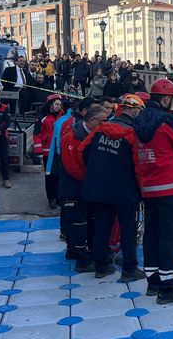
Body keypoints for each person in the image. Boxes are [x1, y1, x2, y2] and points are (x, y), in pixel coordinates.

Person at [133, 78, 173, 304]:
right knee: (169, 238)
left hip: (148, 187)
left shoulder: (140, 120)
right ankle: (168, 289)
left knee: (151, 235)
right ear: (167, 98)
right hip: (169, 187)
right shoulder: (166, 121)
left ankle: (153, 282)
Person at [80, 94, 146, 281]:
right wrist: (141, 191)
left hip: (99, 187)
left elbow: (83, 150)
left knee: (102, 226)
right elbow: (138, 166)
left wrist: (93, 173)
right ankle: (130, 269)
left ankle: (101, 266)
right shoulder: (133, 133)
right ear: (133, 110)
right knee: (128, 228)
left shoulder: (101, 128)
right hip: (125, 190)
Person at [59, 105, 108, 273]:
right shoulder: (71, 137)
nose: (106, 124)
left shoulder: (96, 135)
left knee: (88, 221)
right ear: (92, 120)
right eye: (103, 120)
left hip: (88, 187)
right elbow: (72, 166)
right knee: (78, 222)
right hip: (73, 187)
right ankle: (81, 259)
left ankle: (78, 251)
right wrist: (93, 179)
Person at [33, 94, 63, 208]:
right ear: (50, 104)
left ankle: (59, 197)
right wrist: (39, 152)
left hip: (59, 152)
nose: (58, 107)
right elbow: (36, 135)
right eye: (56, 104)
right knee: (50, 176)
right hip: (47, 152)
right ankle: (51, 199)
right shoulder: (42, 118)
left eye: (60, 105)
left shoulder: (62, 117)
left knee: (59, 176)